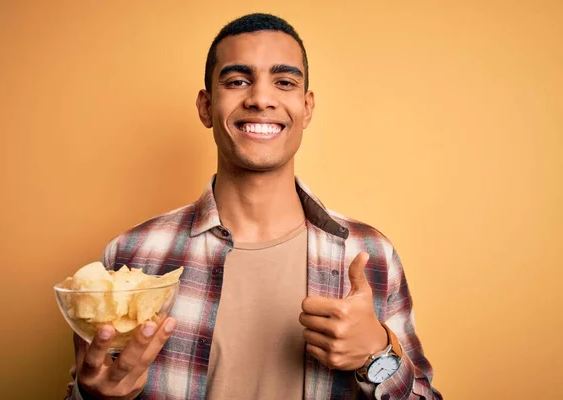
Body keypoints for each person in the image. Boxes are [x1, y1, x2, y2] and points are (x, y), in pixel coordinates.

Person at [66, 13, 442, 400]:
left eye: (284, 82)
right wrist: (94, 397)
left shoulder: (370, 255)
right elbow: (88, 385)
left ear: (307, 108)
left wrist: (377, 354)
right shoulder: (131, 256)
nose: (261, 99)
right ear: (205, 106)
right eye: (237, 81)